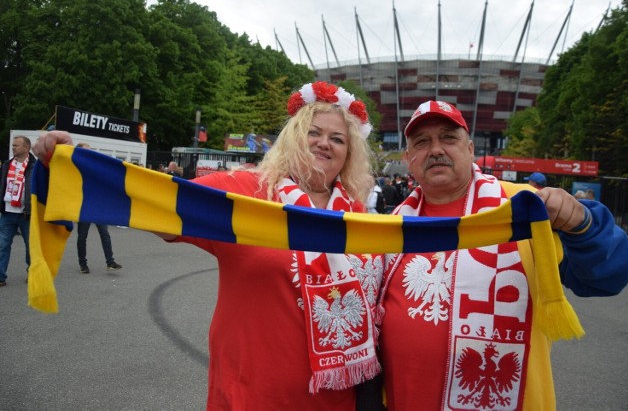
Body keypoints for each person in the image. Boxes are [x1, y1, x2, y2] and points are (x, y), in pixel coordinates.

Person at [34, 81, 384, 410]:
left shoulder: (358, 215)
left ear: (348, 153)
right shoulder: (246, 191)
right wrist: (77, 164)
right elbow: (160, 201)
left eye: (337, 139)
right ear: (293, 138)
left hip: (336, 399)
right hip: (251, 394)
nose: (324, 143)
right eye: (313, 132)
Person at [377, 100, 628, 410]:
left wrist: (582, 223)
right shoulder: (390, 228)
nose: (436, 149)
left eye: (448, 138)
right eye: (422, 142)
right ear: (409, 159)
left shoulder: (522, 207)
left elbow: (608, 277)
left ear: (470, 149)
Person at [75, 143, 122, 273]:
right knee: (82, 236)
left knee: (105, 234)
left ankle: (110, 261)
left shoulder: (94, 166)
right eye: (86, 151)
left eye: (90, 151)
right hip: (84, 207)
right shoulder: (75, 167)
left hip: (97, 207)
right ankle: (83, 264)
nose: (89, 153)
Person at [0, 136, 36, 286]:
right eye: (13, 145)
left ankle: (32, 274)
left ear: (27, 148)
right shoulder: (7, 165)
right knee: (3, 245)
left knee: (30, 247)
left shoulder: (36, 166)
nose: (14, 147)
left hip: (27, 213)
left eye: (17, 145)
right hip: (7, 212)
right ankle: (1, 276)